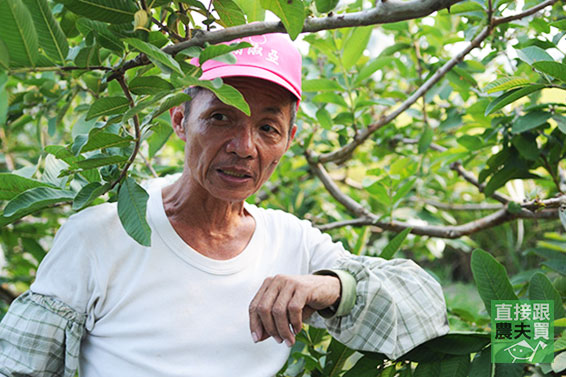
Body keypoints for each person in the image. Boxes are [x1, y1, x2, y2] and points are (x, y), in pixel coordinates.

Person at [0, 33, 449, 377]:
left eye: (268, 128)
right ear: (181, 120)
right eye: (220, 117)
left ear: (289, 140)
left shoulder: (292, 242)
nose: (244, 147)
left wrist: (330, 287)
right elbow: (20, 366)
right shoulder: (99, 235)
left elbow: (425, 308)